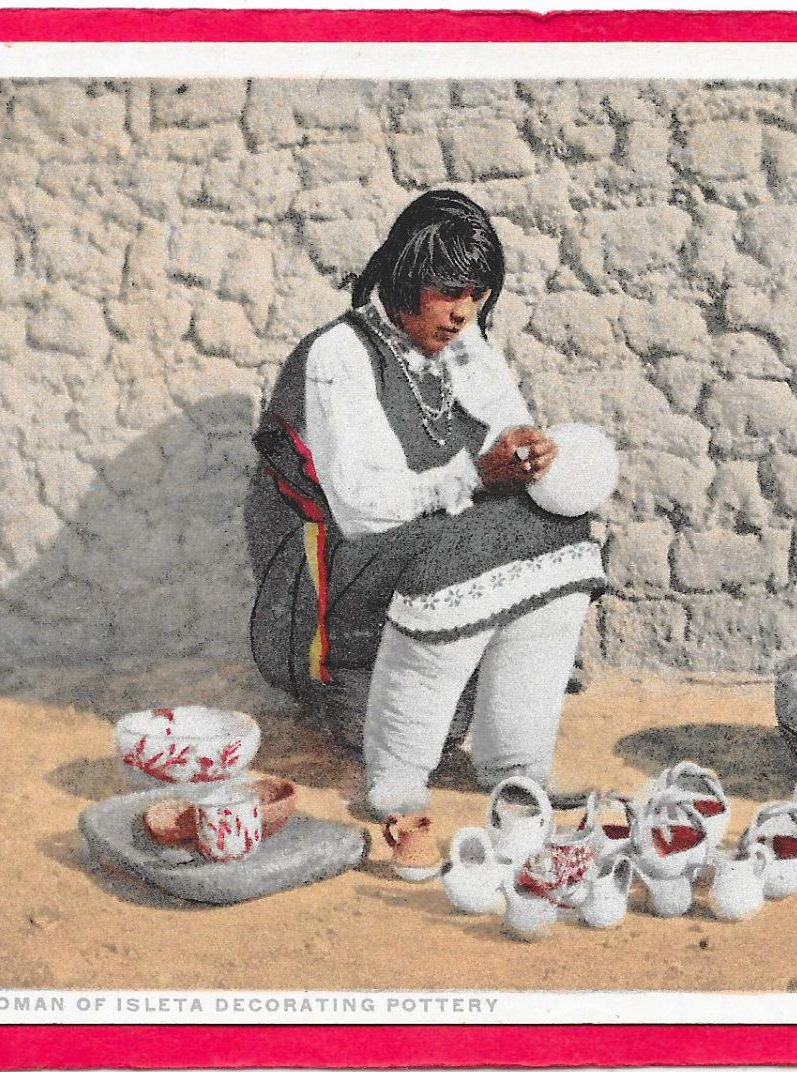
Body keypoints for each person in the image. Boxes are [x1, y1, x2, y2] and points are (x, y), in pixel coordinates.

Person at [245, 190, 606, 817]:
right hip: (338, 573)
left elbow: (505, 432)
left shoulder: (464, 348)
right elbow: (363, 508)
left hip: (433, 550)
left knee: (562, 530)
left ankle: (517, 766)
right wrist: (477, 475)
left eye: (477, 295)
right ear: (403, 277)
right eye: (446, 291)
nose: (462, 313)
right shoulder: (338, 356)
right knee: (477, 559)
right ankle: (398, 774)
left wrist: (528, 456)